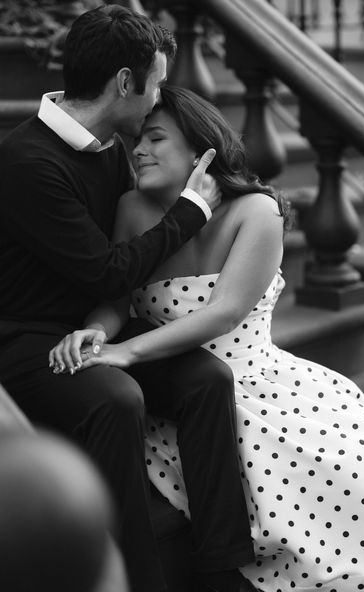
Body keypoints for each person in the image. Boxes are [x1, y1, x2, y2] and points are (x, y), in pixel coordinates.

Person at [50, 85, 364, 592]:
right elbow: (117, 294)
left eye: (155, 139)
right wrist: (98, 331)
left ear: (201, 152)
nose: (140, 150)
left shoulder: (256, 212)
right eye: (137, 142)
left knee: (360, 470)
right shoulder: (131, 208)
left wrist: (127, 350)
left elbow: (225, 312)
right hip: (179, 390)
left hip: (252, 380)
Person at [0, 6, 255, 592]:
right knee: (116, 398)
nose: (159, 94)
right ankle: (138, 580)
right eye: (157, 81)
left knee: (209, 379)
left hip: (96, 323)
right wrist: (193, 212)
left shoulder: (109, 146)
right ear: (124, 82)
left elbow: (119, 260)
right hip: (24, 340)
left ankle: (220, 566)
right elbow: (108, 268)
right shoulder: (26, 161)